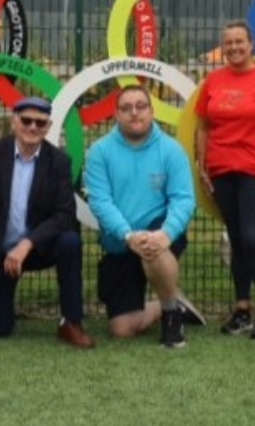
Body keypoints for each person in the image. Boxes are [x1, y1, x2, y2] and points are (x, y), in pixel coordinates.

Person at [0, 96, 95, 348]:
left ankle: (72, 322)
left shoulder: (59, 162)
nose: (33, 127)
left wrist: (27, 244)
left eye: (40, 123)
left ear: (48, 126)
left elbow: (65, 214)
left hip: (37, 248)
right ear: (14, 122)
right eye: (26, 120)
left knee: (70, 241)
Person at [195, 20, 255, 341]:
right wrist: (202, 167)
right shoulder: (213, 80)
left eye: (240, 42)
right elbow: (203, 126)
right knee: (237, 241)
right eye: (228, 43)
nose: (234, 48)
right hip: (223, 172)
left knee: (253, 240)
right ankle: (241, 310)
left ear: (253, 45)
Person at [85, 86, 199, 349]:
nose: (134, 113)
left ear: (152, 111)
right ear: (116, 114)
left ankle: (171, 315)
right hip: (120, 242)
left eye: (140, 106)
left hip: (160, 233)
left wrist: (166, 232)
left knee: (152, 246)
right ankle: (169, 302)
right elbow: (100, 201)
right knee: (122, 329)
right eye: (126, 108)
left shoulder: (171, 150)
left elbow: (183, 199)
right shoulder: (100, 152)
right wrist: (127, 236)